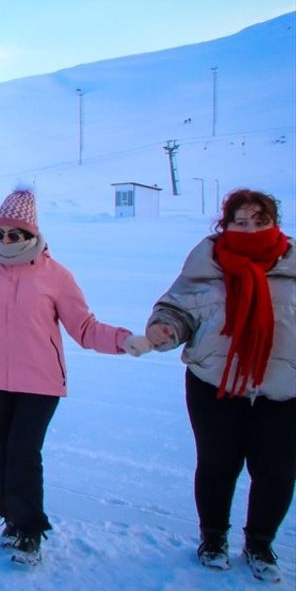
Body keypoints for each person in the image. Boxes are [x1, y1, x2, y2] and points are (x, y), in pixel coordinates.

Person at [0, 187, 142, 566]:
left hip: (40, 381)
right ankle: (10, 516)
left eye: (14, 234)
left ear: (32, 235)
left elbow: (85, 328)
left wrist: (126, 341)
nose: (5, 240)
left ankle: (30, 530)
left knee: (23, 452)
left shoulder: (56, 276)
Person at [137, 189, 293, 583]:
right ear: (225, 225)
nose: (250, 228)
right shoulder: (206, 263)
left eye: (260, 220)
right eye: (241, 221)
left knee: (276, 471)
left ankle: (259, 543)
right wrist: (166, 329)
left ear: (274, 223)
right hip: (214, 383)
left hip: (284, 389)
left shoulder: (292, 265)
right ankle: (213, 539)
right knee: (218, 464)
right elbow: (177, 309)